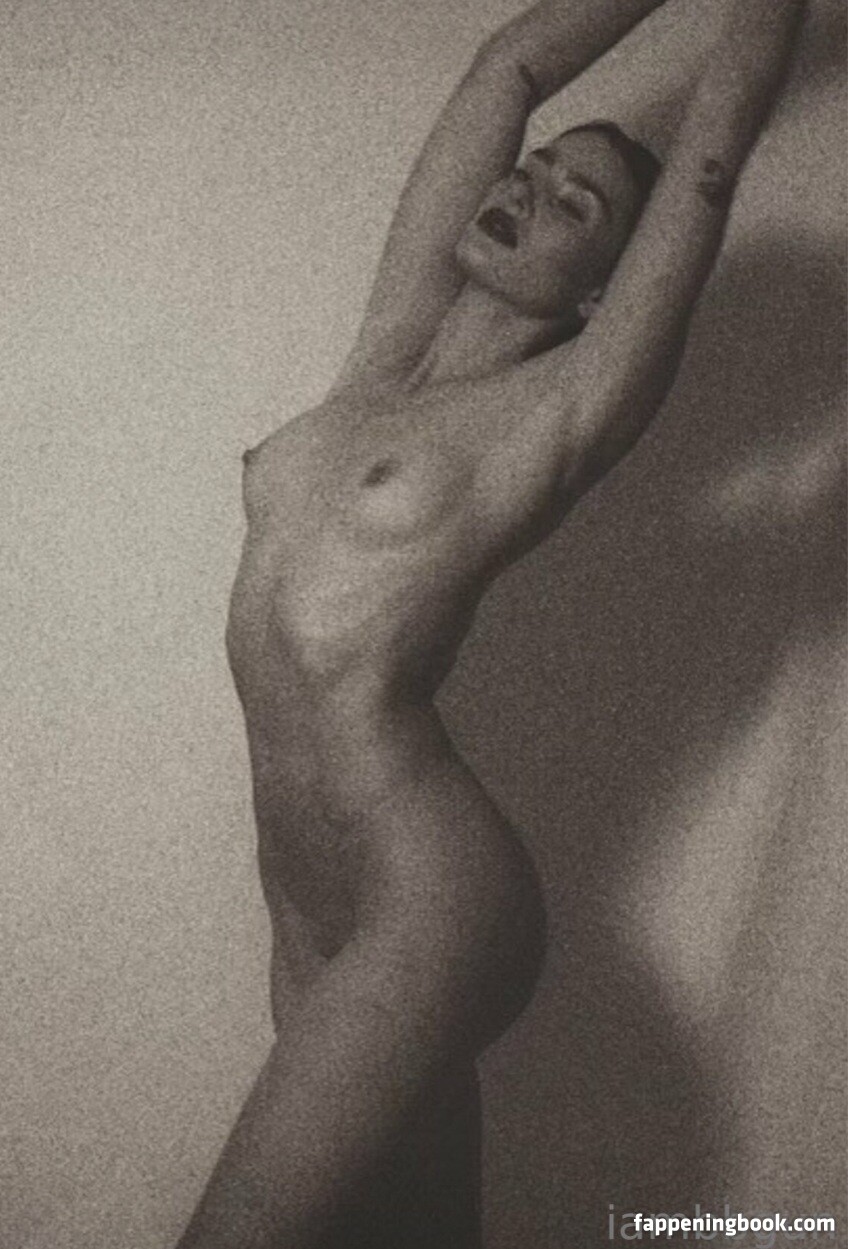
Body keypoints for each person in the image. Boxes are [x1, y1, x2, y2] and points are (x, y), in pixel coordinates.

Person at [178, 1, 805, 1245]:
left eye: (578, 207)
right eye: (536, 169)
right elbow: (507, 66)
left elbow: (709, 159)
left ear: (603, 290)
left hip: (425, 895)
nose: (530, 188)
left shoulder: (564, 407)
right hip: (306, 899)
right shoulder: (381, 363)